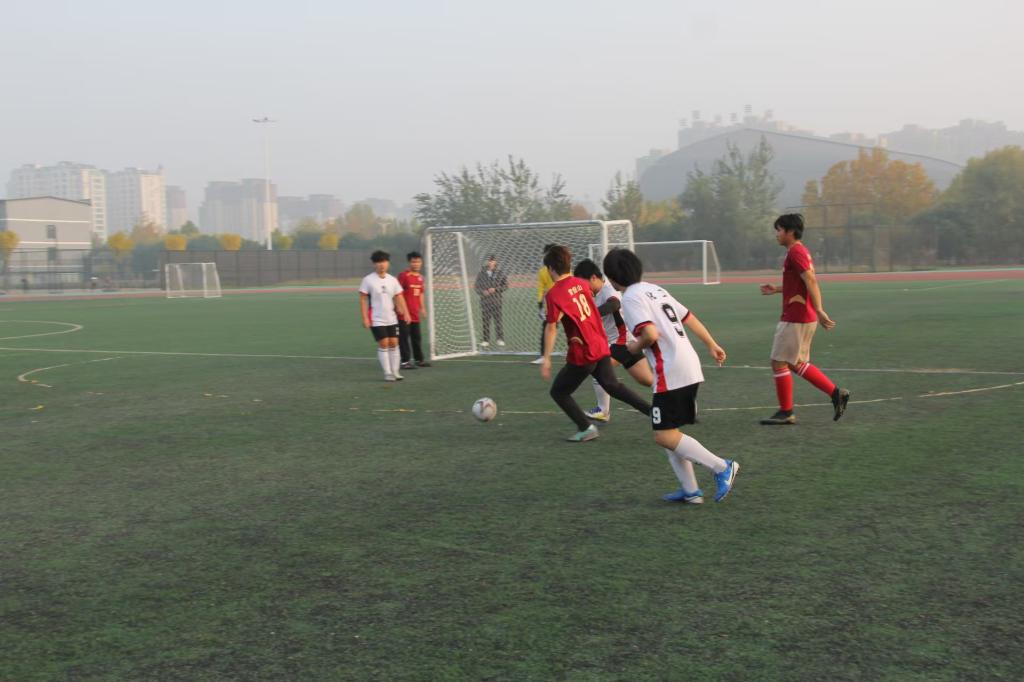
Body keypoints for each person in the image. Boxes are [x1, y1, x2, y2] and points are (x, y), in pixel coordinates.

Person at [603, 248, 739, 504]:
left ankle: (722, 467)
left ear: (612, 278)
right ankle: (691, 491)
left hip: (671, 369)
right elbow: (688, 317)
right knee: (668, 430)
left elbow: (650, 335)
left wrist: (632, 348)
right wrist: (711, 344)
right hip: (687, 363)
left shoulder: (630, 298)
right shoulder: (655, 289)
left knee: (663, 435)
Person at [540, 245, 651, 442]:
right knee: (612, 385)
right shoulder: (582, 284)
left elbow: (551, 328)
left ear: (550, 269)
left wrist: (546, 358)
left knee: (558, 392)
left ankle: (586, 428)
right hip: (600, 344)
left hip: (584, 351)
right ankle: (654, 412)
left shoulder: (553, 294)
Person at [759, 214, 850, 425]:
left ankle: (786, 412)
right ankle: (836, 394)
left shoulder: (796, 252)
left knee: (778, 362)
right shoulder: (799, 251)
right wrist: (777, 289)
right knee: (795, 362)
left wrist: (820, 310)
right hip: (801, 316)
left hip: (796, 317)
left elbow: (810, 280)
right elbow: (799, 283)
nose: (776, 234)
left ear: (790, 232)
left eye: (779, 230)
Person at [572, 258, 653, 422]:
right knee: (647, 380)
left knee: (598, 369)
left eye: (583, 283)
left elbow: (614, 305)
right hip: (624, 342)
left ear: (594, 277)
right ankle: (676, 395)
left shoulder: (608, 289)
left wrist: (592, 315)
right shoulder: (593, 294)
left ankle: (603, 410)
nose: (582, 288)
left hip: (621, 341)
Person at [359, 250, 411, 382]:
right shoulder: (368, 280)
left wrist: (406, 313)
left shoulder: (392, 280)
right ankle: (387, 373)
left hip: (391, 318)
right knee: (384, 343)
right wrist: (365, 318)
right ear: (374, 264)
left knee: (394, 343)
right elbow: (363, 299)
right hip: (376, 318)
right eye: (378, 262)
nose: (382, 264)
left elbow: (399, 296)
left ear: (388, 263)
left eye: (384, 261)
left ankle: (396, 372)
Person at [397, 251, 431, 369]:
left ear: (421, 263)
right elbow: (397, 293)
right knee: (404, 338)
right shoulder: (404, 275)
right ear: (409, 262)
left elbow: (420, 293)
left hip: (415, 313)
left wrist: (423, 308)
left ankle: (419, 360)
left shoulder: (420, 278)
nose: (416, 264)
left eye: (418, 262)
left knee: (416, 338)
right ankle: (405, 362)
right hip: (404, 314)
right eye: (413, 262)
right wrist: (399, 307)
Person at [474, 254, 508, 348]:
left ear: (495, 262)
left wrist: (495, 289)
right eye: (489, 260)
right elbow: (476, 287)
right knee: (485, 322)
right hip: (485, 301)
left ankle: (500, 339)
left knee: (498, 321)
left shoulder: (500, 273)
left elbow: (505, 286)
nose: (490, 262)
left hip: (496, 301)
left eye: (492, 261)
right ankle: (486, 340)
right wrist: (482, 291)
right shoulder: (481, 273)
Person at [532, 243, 556, 364]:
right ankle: (544, 355)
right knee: (547, 327)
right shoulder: (542, 272)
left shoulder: (564, 269)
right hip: (553, 305)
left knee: (575, 327)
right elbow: (541, 289)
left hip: (566, 302)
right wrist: (540, 306)